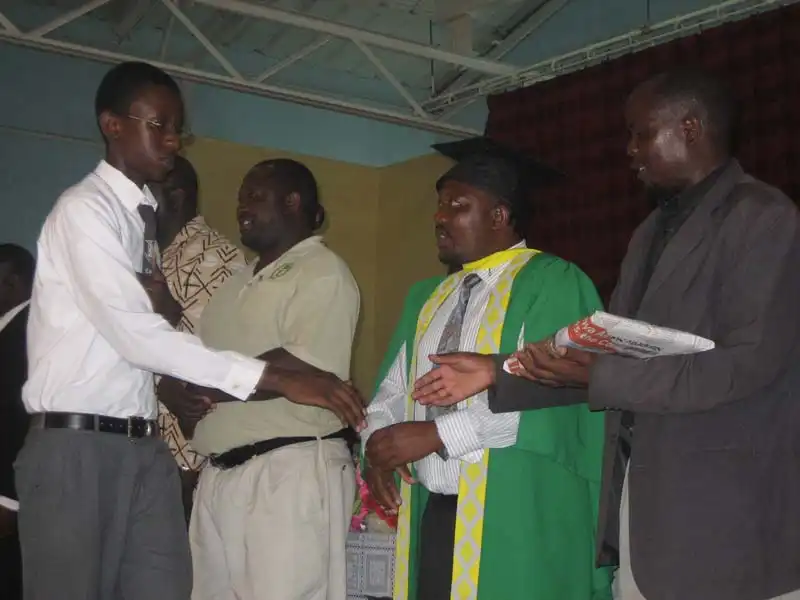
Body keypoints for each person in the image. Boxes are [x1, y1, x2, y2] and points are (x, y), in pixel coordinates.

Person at [411, 70, 800, 600]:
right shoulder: (648, 233)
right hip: (644, 516)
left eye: (641, 133)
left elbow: (745, 365)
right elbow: (603, 356)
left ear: (690, 127)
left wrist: (603, 373)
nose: (630, 150)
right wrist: (497, 370)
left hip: (726, 523)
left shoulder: (764, 217)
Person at [17, 61, 364, 600]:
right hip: (79, 445)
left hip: (144, 448)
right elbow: (135, 336)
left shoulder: (141, 223)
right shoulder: (85, 211)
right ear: (112, 125)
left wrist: (171, 384)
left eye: (178, 126)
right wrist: (273, 376)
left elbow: (139, 348)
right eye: (158, 124)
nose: (173, 139)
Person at [362, 137, 613, 600]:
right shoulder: (426, 297)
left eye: (457, 206)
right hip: (433, 513)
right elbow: (391, 393)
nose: (440, 218)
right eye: (439, 206)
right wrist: (378, 445)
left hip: (517, 513)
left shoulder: (554, 281)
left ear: (499, 216)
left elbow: (548, 399)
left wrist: (438, 436)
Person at [187, 158, 361, 600]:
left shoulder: (322, 270)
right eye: (242, 197)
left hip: (287, 471)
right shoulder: (235, 283)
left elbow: (302, 364)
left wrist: (210, 385)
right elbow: (204, 365)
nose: (243, 206)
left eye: (256, 196)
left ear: (293, 201)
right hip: (219, 475)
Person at [153, 155, 246, 520]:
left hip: (187, 464)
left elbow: (223, 362)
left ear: (174, 197)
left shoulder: (216, 259)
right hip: (146, 452)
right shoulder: (155, 257)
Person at [0, 244, 35, 600]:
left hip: (10, 500)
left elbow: (17, 420)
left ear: (11, 284)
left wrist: (8, 500)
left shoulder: (23, 335)